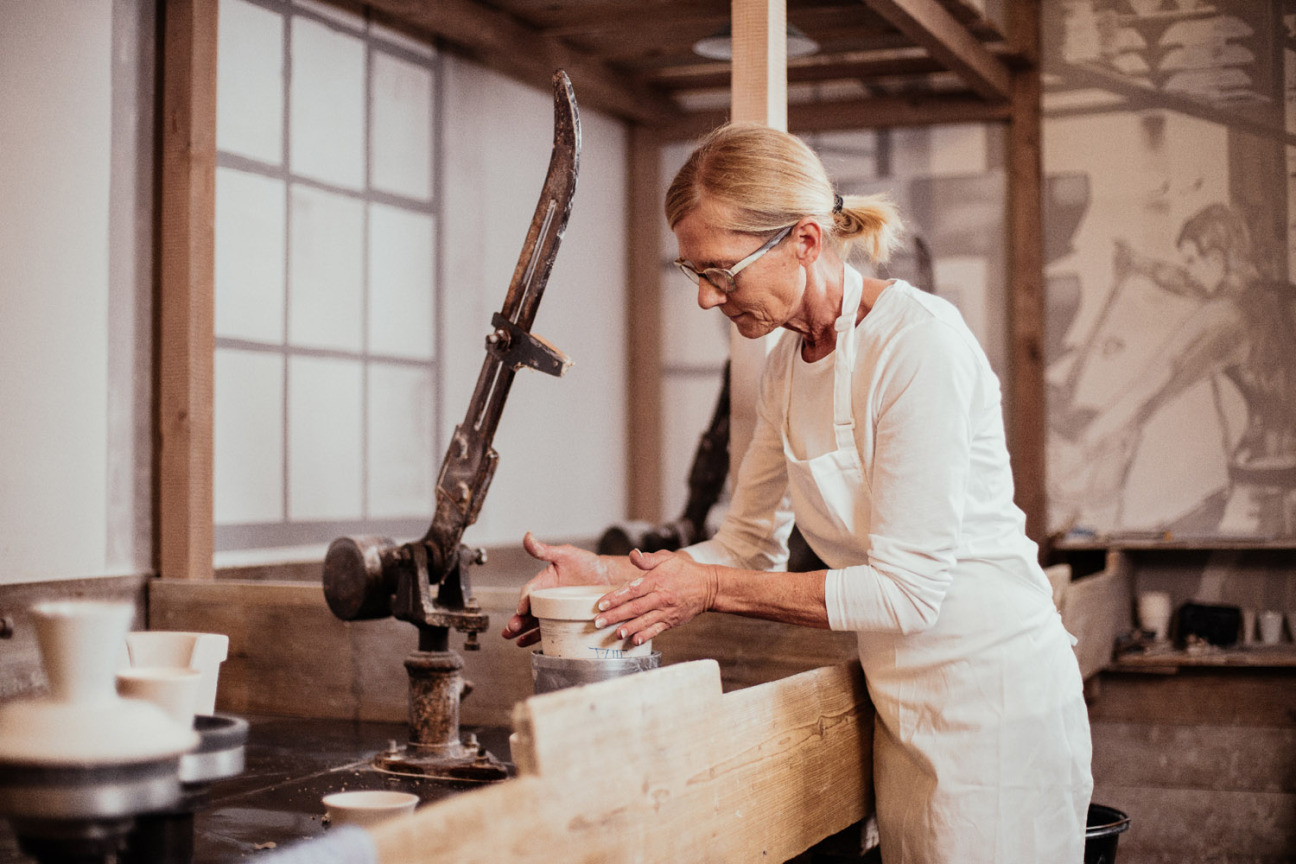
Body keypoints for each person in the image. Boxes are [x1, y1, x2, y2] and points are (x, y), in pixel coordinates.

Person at [502, 123, 1093, 862]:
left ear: (806, 242)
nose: (707, 301)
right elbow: (747, 543)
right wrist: (610, 577)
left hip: (997, 705)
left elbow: (910, 593)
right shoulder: (786, 364)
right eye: (693, 274)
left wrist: (711, 589)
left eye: (720, 271)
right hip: (904, 709)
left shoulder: (919, 348)